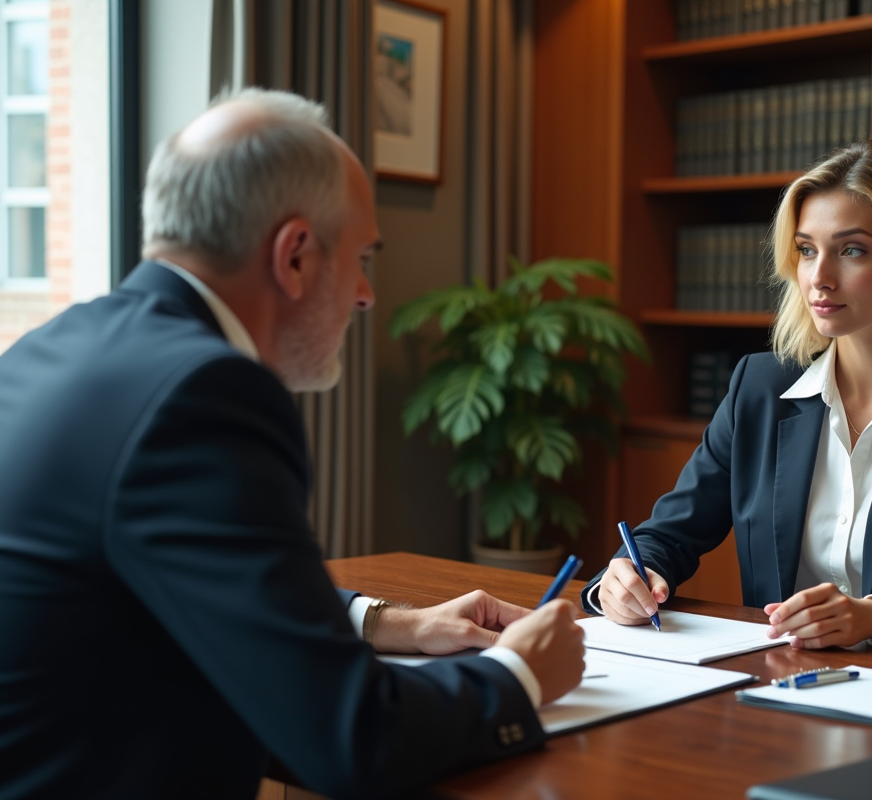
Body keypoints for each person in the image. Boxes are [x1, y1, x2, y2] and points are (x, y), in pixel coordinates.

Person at [0, 88, 585, 799]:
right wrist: (518, 675)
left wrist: (384, 622)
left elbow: (175, 579)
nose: (367, 294)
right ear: (296, 256)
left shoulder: (49, 348)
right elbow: (352, 739)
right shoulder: (204, 393)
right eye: (363, 257)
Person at [583, 139, 872, 651]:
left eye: (851, 250)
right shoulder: (758, 388)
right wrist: (625, 578)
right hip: (778, 684)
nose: (818, 278)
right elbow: (667, 537)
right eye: (806, 250)